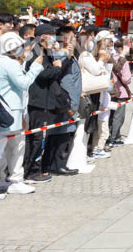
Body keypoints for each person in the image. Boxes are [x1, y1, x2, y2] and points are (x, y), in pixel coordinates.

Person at [0, 31, 44, 198]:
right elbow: (24, 83)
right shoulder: (10, 64)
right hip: (10, 112)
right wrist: (36, 67)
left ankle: (1, 180)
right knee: (14, 149)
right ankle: (14, 181)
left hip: (5, 110)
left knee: (1, 150)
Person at [22, 23, 66, 183]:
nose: (54, 38)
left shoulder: (46, 51)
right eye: (51, 34)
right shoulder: (35, 52)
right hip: (38, 100)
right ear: (43, 36)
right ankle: (31, 171)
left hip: (45, 99)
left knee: (39, 136)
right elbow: (42, 74)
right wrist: (57, 68)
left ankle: (35, 169)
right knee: (37, 136)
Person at [45, 25, 80, 176]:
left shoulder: (69, 54)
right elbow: (65, 81)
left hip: (69, 99)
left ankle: (56, 164)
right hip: (65, 101)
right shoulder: (61, 55)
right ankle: (57, 164)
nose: (76, 39)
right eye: (73, 37)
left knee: (64, 132)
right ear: (66, 39)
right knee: (61, 133)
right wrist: (71, 103)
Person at [78, 29, 111, 159]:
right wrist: (102, 60)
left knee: (91, 122)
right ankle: (85, 151)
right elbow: (96, 70)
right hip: (90, 92)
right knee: (87, 123)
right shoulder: (86, 55)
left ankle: (88, 149)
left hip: (95, 91)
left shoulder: (88, 54)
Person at [105, 40, 131, 148]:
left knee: (109, 115)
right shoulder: (123, 61)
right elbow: (126, 79)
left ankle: (109, 136)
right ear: (123, 47)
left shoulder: (108, 59)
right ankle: (114, 138)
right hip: (121, 92)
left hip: (109, 91)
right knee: (118, 117)